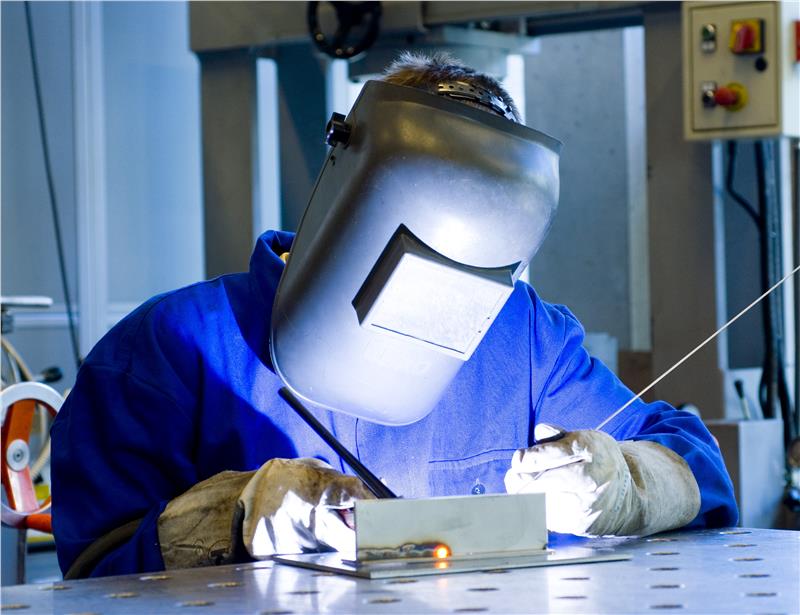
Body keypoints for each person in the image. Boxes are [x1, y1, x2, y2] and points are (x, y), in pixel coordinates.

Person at [51, 53, 737, 578]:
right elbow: (90, 570)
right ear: (350, 184)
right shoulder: (168, 351)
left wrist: (629, 483)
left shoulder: (522, 338)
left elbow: (695, 463)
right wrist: (227, 517)